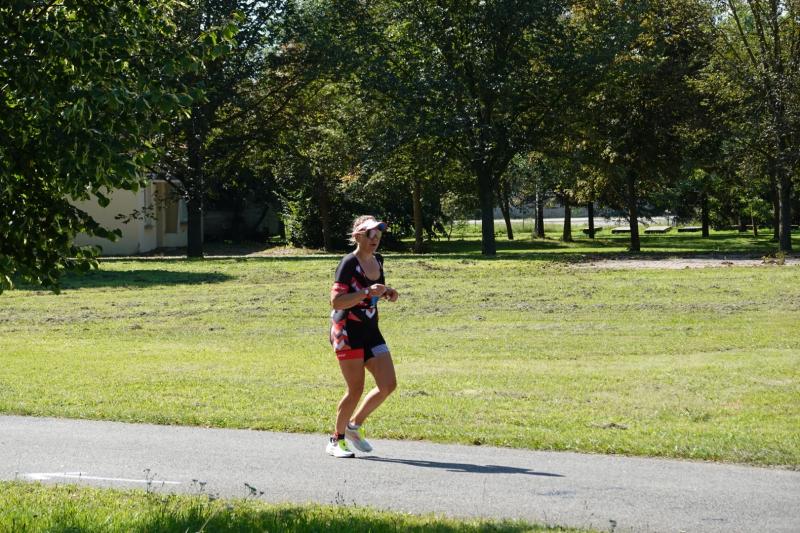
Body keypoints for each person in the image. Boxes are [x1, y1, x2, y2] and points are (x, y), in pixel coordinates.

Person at [327, 215, 399, 458]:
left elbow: (373, 296)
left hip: (370, 330)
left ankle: (353, 426)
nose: (375, 238)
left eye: (378, 234)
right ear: (358, 236)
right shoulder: (348, 263)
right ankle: (336, 440)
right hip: (347, 332)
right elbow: (337, 301)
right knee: (355, 389)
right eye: (369, 234)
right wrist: (367, 291)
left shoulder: (378, 260)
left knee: (388, 384)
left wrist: (386, 292)